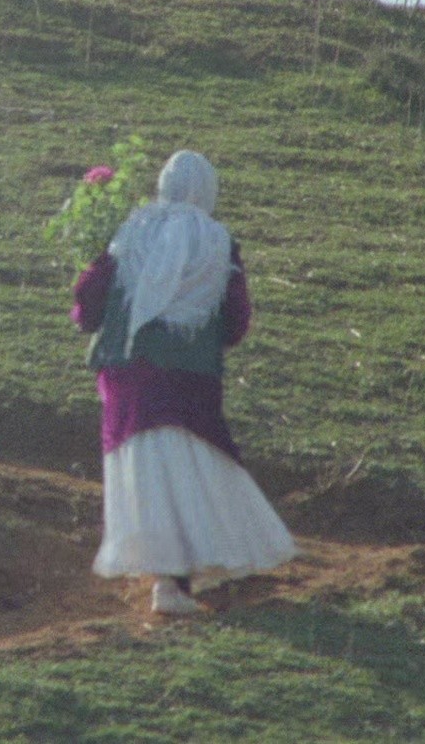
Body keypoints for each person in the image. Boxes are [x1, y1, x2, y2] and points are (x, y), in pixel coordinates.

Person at [71, 149, 297, 614]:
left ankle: (163, 577)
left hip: (126, 374)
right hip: (189, 380)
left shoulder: (129, 230)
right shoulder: (218, 242)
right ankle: (175, 584)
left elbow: (89, 303)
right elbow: (235, 321)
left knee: (149, 473)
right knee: (190, 470)